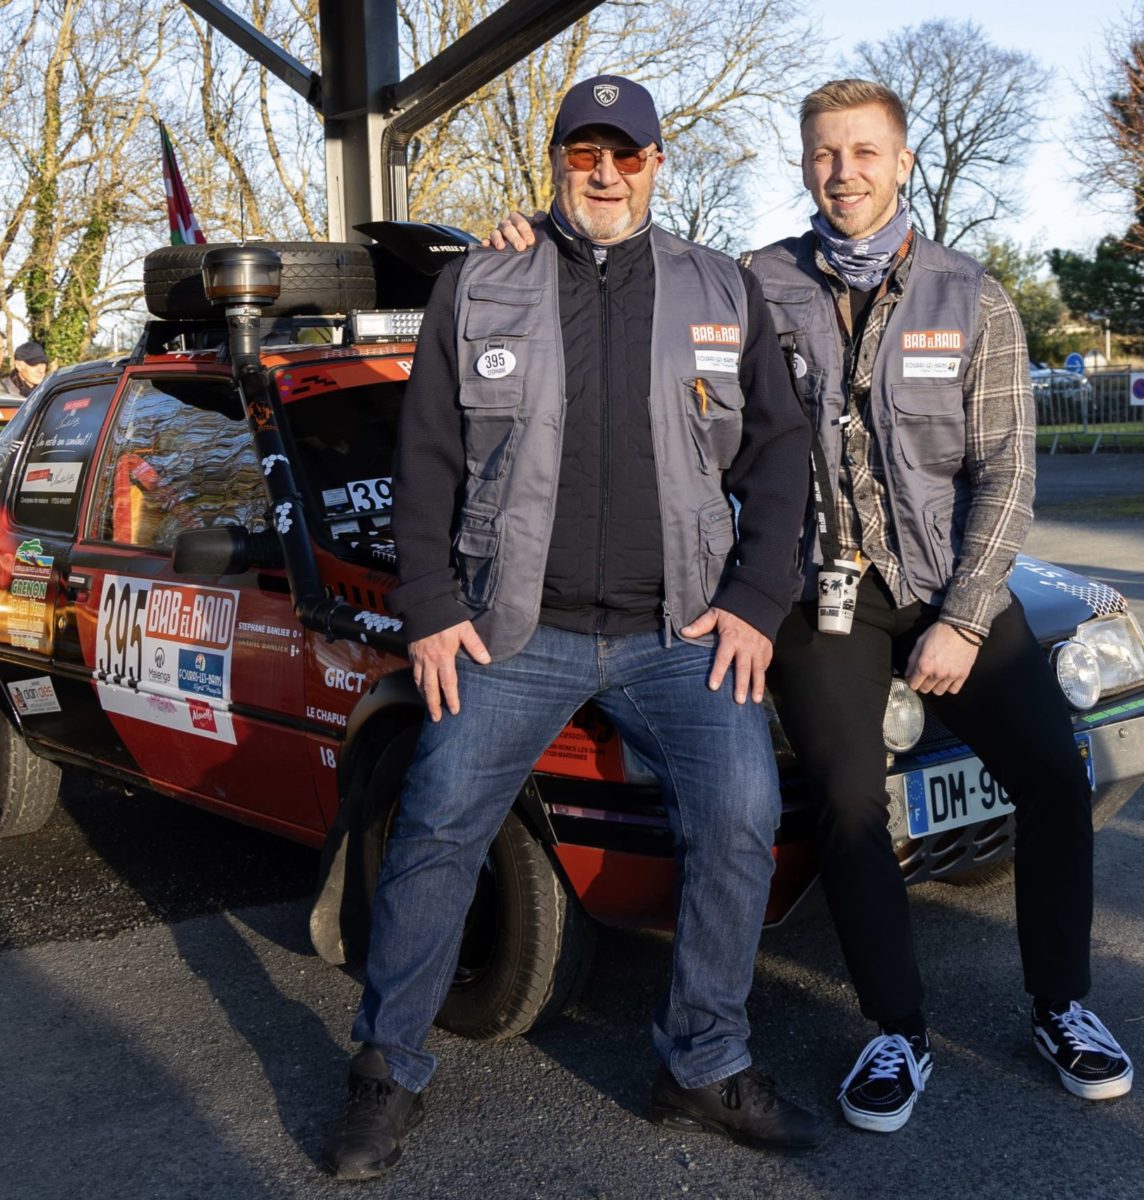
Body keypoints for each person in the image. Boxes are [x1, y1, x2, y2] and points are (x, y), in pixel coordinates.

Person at [485, 78, 1133, 1132]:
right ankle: (896, 1029)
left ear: (903, 161)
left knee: (1057, 778)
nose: (845, 172)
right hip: (819, 590)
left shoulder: (972, 297)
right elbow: (630, 286)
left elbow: (1008, 471)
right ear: (803, 164)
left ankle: (1063, 1004)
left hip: (943, 584)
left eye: (865, 152)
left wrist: (967, 617)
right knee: (845, 799)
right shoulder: (751, 283)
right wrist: (533, 243)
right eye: (826, 153)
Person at [325, 75, 825, 1182]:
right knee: (437, 824)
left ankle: (703, 1062)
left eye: (626, 154)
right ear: (555, 162)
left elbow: (779, 451)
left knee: (742, 814)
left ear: (657, 164)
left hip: (678, 632)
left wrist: (756, 602)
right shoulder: (481, 281)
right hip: (515, 631)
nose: (604, 173)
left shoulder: (722, 288)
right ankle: (386, 1071)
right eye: (583, 153)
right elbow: (425, 454)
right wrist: (432, 608)